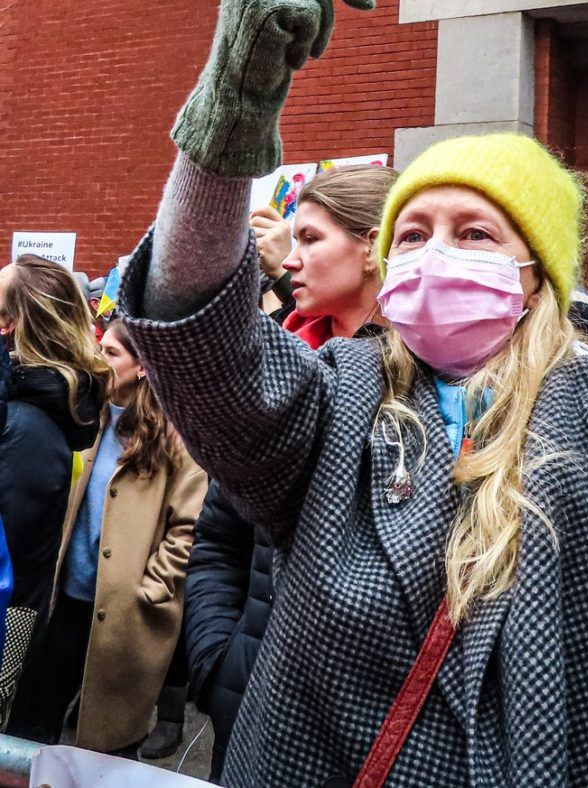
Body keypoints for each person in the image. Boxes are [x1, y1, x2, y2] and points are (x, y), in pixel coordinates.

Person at [120, 0, 588, 787]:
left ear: (537, 275)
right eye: (412, 232)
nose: (435, 252)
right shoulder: (334, 398)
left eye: (474, 231)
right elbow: (194, 328)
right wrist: (229, 117)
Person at [186, 164, 397, 783]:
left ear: (371, 248)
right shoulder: (284, 361)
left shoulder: (437, 386)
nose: (289, 258)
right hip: (248, 686)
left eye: (310, 239)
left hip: (361, 716)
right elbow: (219, 532)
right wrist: (218, 657)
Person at [10, 319, 206, 755]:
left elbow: (190, 528)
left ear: (142, 367)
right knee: (30, 729)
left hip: (125, 616)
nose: (100, 359)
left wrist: (149, 589)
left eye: (112, 352)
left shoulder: (176, 434)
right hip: (63, 601)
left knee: (104, 746)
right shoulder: (86, 415)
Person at [0, 255, 108, 727]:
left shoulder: (28, 425)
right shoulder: (26, 409)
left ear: (10, 324)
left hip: (8, 621)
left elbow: (13, 546)